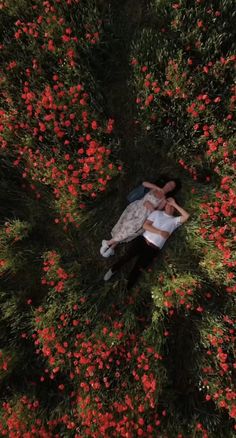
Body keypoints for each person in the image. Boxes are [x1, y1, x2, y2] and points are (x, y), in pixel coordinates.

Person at [103, 198, 190, 289]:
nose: (169, 205)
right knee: (127, 256)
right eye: (168, 203)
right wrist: (159, 232)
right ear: (165, 205)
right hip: (143, 240)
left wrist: (175, 203)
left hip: (153, 248)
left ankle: (127, 288)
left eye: (172, 205)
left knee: (139, 268)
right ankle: (113, 270)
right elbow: (145, 225)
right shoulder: (157, 213)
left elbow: (186, 216)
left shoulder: (174, 221)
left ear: (175, 208)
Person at [100, 178, 181, 258]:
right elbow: (144, 183)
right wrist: (157, 188)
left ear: (172, 190)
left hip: (144, 216)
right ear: (166, 183)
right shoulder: (154, 188)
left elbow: (156, 213)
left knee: (130, 230)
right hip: (136, 208)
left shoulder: (164, 200)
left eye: (171, 187)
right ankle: (111, 248)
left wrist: (150, 207)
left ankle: (108, 243)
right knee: (124, 227)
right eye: (169, 184)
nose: (169, 186)